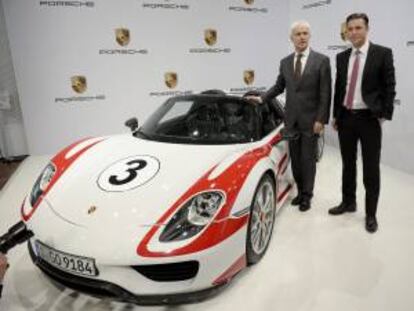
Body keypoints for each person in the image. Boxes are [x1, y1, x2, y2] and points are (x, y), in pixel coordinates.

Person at [249, 21, 332, 211]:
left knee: (308, 159)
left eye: (305, 33)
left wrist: (321, 119)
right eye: (298, 34)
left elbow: (326, 93)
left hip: (312, 121)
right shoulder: (285, 62)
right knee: (294, 158)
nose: (302, 37)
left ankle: (307, 196)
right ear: (291, 38)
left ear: (309, 36)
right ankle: (300, 190)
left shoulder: (321, 60)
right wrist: (262, 98)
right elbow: (279, 86)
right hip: (291, 120)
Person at [329, 13, 396, 233]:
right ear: (346, 31)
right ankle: (349, 202)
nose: (354, 32)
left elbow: (389, 86)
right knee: (348, 164)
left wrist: (384, 114)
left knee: (371, 168)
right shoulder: (341, 57)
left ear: (367, 29)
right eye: (350, 29)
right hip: (346, 118)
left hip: (369, 119)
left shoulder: (382, 53)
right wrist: (336, 115)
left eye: (358, 28)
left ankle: (370, 214)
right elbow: (339, 89)